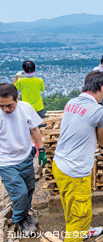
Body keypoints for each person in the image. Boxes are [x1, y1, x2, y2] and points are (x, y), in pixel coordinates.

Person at [52, 71, 103, 242]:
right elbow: (102, 138)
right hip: (75, 171)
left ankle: (83, 231)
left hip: (59, 164)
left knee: (70, 206)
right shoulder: (99, 110)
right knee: (80, 214)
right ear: (102, 87)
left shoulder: (71, 102)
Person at [0, 84, 47, 236]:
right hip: (6, 161)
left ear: (17, 99)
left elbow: (34, 129)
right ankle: (20, 219)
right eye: (1, 106)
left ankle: (25, 214)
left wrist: (41, 149)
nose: (6, 109)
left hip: (25, 156)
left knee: (29, 188)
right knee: (19, 193)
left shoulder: (25, 108)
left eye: (9, 105)